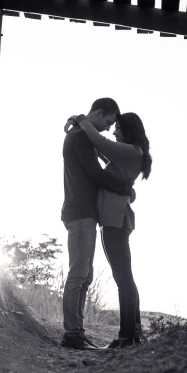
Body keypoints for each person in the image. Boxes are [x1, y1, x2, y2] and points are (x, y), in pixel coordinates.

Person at [73, 111, 152, 349]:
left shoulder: (131, 151)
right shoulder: (130, 153)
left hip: (115, 221)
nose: (114, 131)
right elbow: (100, 150)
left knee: (123, 278)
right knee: (125, 277)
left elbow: (101, 142)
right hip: (116, 219)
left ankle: (126, 337)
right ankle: (133, 334)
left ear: (128, 131)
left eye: (117, 127)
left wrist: (81, 120)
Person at [61, 98, 133, 351]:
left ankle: (77, 332)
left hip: (84, 212)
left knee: (85, 275)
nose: (107, 128)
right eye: (108, 122)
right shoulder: (80, 138)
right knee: (79, 272)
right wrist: (125, 188)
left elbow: (102, 159)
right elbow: (96, 173)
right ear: (99, 112)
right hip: (80, 212)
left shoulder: (82, 135)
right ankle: (71, 334)